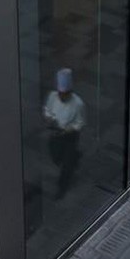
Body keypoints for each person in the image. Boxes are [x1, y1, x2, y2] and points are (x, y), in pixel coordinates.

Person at [43, 68, 86, 198]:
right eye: (61, 93)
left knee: (66, 165)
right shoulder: (52, 97)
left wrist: (69, 129)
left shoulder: (78, 103)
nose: (62, 96)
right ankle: (76, 157)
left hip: (70, 136)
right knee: (55, 156)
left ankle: (62, 187)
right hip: (56, 133)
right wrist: (49, 118)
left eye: (65, 94)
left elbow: (80, 122)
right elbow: (47, 110)